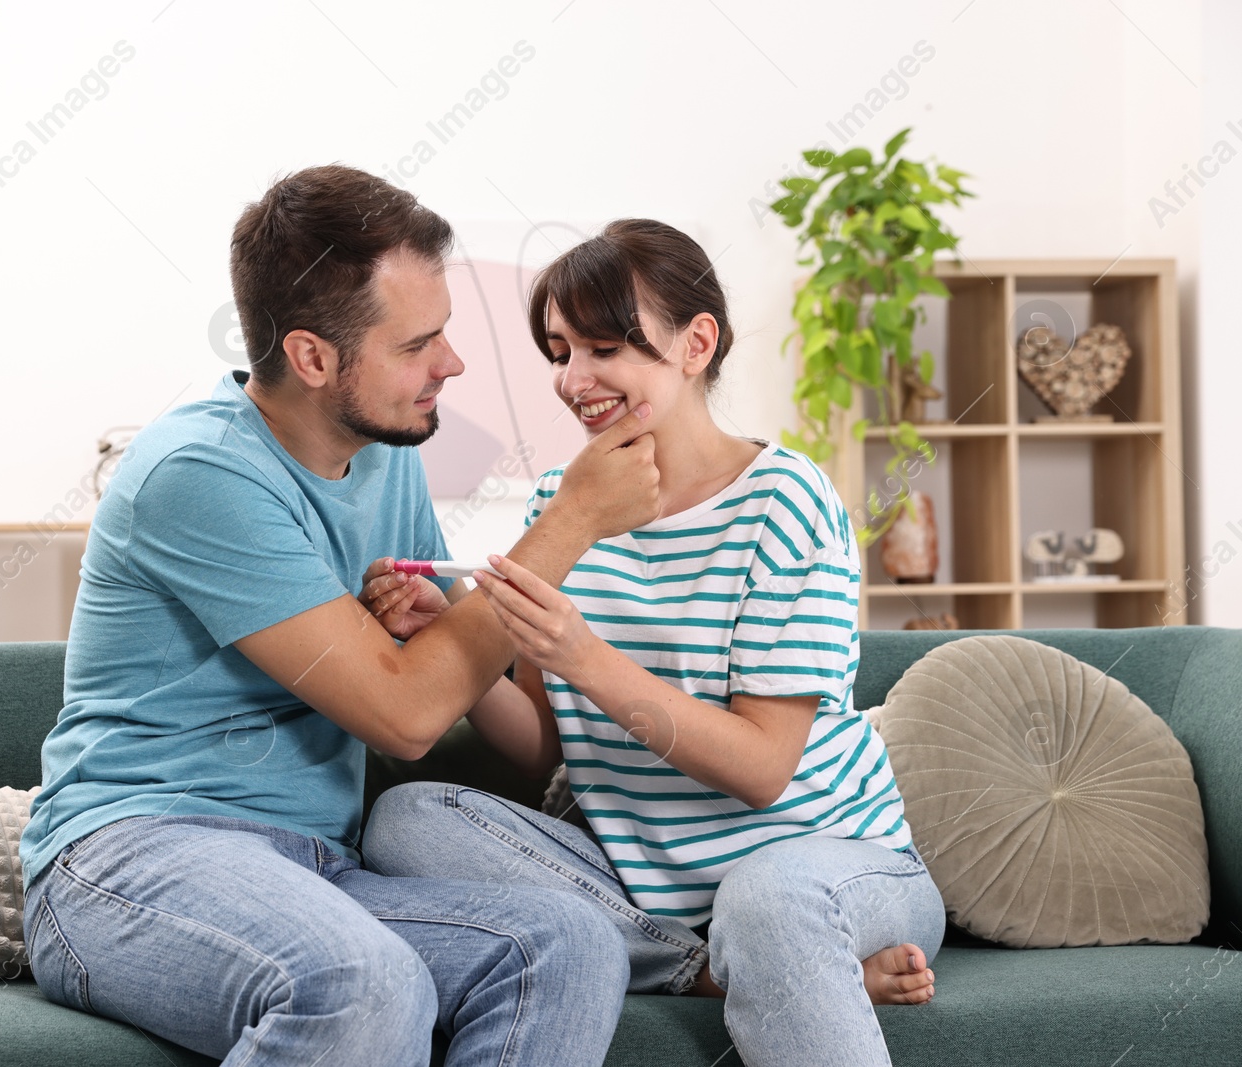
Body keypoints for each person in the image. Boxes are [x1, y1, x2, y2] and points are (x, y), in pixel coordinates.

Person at [16, 166, 662, 1067]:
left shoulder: (384, 450)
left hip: (313, 864)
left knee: (566, 944)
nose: (453, 363)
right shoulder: (198, 472)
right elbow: (405, 712)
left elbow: (436, 683)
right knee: (362, 981)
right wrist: (575, 520)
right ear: (314, 357)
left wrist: (433, 628)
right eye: (418, 344)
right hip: (130, 857)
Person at [359, 219, 947, 1067]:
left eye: (605, 348)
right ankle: (704, 969)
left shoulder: (787, 501)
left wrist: (580, 652)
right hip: (649, 893)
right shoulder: (564, 504)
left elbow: (760, 769)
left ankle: (756, 953)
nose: (575, 379)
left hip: (830, 864)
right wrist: (454, 621)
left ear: (695, 343)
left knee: (765, 898)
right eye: (560, 351)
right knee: (409, 820)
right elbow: (540, 745)